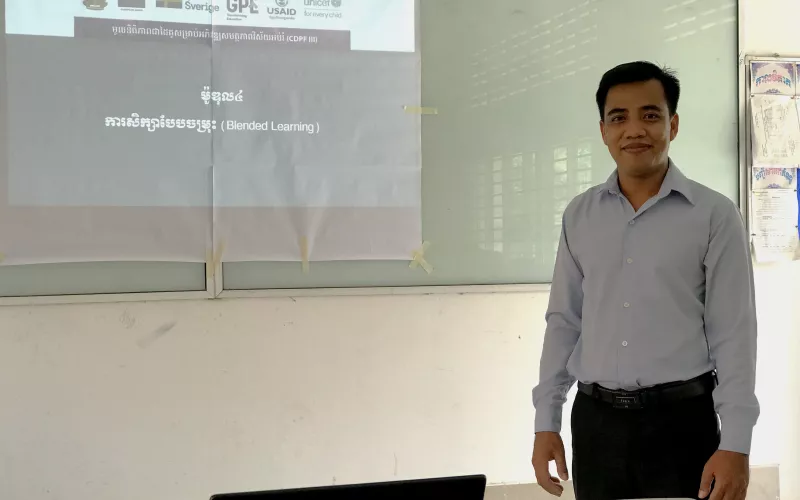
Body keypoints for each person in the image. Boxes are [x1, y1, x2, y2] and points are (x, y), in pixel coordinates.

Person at [530, 61, 759, 500]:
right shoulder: (580, 215)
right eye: (619, 117)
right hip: (596, 424)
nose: (634, 129)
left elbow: (735, 334)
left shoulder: (714, 215)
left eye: (650, 115)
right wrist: (547, 421)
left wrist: (736, 443)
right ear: (603, 130)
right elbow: (563, 322)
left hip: (682, 422)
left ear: (672, 124)